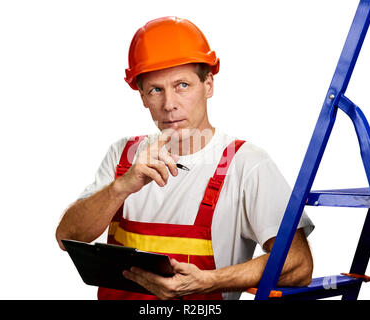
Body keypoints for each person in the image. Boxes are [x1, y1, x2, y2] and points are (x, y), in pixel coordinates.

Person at [55, 16, 314, 300]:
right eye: (156, 90)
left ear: (209, 85)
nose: (169, 104)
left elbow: (298, 264)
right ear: (142, 96)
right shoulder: (123, 154)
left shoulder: (246, 164)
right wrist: (122, 186)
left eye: (182, 85)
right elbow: (68, 237)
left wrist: (209, 281)